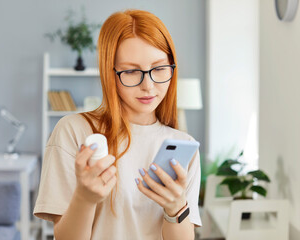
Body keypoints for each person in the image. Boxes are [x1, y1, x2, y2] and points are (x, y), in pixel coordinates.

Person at [33, 9, 202, 240]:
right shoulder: (74, 131)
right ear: (109, 73)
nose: (149, 86)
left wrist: (176, 208)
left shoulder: (184, 146)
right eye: (132, 71)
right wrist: (85, 197)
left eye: (160, 69)